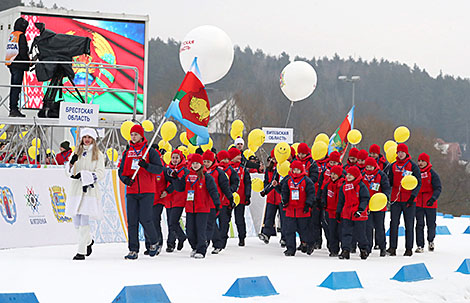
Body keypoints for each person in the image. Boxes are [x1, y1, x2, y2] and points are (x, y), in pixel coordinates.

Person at [118, 124, 166, 260]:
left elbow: (159, 169)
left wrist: (147, 166)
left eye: (136, 134)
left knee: (146, 219)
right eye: (132, 134)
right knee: (132, 221)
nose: (133, 137)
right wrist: (125, 180)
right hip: (132, 191)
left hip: (147, 190)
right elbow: (121, 171)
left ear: (141, 135)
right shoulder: (127, 152)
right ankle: (133, 249)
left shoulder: (149, 151)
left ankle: (154, 242)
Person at [64, 128, 105, 260]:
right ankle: (88, 241)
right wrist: (71, 163)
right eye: (85, 137)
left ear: (93, 139)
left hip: (89, 191)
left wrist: (86, 176)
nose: (87, 139)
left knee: (84, 220)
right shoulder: (76, 152)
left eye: (89, 137)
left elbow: (100, 173)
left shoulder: (98, 154)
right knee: (76, 220)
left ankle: (81, 251)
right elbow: (68, 171)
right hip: (75, 190)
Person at [173, 153, 221, 259]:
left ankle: (201, 249)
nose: (195, 165)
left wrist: (217, 204)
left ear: (201, 164)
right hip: (190, 208)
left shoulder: (206, 177)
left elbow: (213, 191)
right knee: (190, 230)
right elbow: (180, 188)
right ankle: (194, 247)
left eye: (197, 163)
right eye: (193, 163)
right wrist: (175, 179)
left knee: (201, 230)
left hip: (203, 208)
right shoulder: (187, 176)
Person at [387, 143, 421, 257]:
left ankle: (409, 248)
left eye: (402, 152)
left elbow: (418, 183)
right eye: (399, 152)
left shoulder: (413, 166)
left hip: (408, 200)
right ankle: (392, 247)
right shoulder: (393, 166)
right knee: (394, 223)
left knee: (409, 224)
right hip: (396, 199)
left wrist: (413, 197)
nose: (400, 154)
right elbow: (389, 181)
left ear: (406, 153)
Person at [281, 160, 316, 256]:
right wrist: (285, 201)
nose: (295, 172)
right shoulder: (288, 180)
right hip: (290, 210)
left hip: (302, 210)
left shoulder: (306, 181)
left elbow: (311, 193)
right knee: (289, 231)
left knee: (304, 230)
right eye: (294, 170)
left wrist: (308, 204)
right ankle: (290, 249)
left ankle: (307, 243)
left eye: (298, 170)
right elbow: (284, 191)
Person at [202, 150, 234, 254]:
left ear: (213, 161)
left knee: (211, 224)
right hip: (202, 203)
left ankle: (214, 243)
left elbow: (225, 187)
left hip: (215, 202)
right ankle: (211, 242)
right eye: (204, 161)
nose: (206, 163)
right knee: (208, 224)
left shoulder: (219, 172)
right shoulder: (200, 172)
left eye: (208, 161)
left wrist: (230, 198)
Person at [336, 166, 370, 260]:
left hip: (359, 214)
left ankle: (364, 249)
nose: (348, 176)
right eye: (347, 174)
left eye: (351, 175)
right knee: (346, 232)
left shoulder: (361, 186)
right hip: (347, 213)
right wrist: (338, 212)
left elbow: (365, 199)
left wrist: (360, 210)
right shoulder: (344, 186)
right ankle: (345, 250)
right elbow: (341, 201)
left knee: (360, 233)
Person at [362, 157, 391, 257]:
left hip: (379, 205)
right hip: (367, 206)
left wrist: (385, 197)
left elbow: (387, 188)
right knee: (368, 227)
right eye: (367, 166)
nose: (369, 168)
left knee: (379, 227)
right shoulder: (362, 175)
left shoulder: (381, 175)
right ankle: (367, 247)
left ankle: (382, 247)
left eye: (371, 166)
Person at [212, 150, 240, 252]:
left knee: (224, 223)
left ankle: (222, 242)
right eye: (223, 159)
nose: (225, 161)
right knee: (212, 222)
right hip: (215, 201)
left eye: (227, 159)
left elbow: (235, 182)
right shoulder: (214, 170)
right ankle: (216, 241)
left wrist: (230, 191)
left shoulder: (231, 170)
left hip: (226, 201)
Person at [415, 153, 442, 253]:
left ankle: (431, 240)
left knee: (431, 224)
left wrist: (433, 198)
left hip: (430, 202)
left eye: (423, 161)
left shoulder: (432, 173)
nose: (420, 163)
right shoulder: (415, 172)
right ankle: (420, 245)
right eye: (419, 161)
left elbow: (438, 188)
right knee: (419, 224)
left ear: (427, 162)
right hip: (418, 202)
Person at [163, 149, 189, 252]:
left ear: (181, 158)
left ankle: (180, 237)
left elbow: (177, 185)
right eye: (173, 157)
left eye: (177, 158)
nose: (174, 160)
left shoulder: (184, 171)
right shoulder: (167, 169)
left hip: (179, 198)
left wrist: (168, 190)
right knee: (171, 222)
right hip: (169, 199)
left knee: (173, 222)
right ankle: (171, 243)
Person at [259, 150, 285, 245]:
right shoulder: (269, 168)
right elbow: (267, 181)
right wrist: (265, 190)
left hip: (280, 197)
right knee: (269, 217)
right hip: (271, 197)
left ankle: (284, 237)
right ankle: (266, 234)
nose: (273, 159)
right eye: (272, 157)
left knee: (282, 218)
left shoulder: (282, 167)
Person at [6, 17, 30, 117]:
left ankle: (13, 109)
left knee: (14, 87)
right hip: (18, 65)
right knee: (16, 88)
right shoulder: (21, 36)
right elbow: (23, 52)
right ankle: (14, 109)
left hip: (12, 64)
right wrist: (28, 62)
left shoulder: (12, 35)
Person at [229, 147, 252, 247]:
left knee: (239, 219)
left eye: (240, 155)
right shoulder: (227, 168)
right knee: (226, 218)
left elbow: (248, 183)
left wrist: (247, 195)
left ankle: (242, 237)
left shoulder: (243, 169)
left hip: (240, 198)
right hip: (228, 198)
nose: (239, 157)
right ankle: (221, 237)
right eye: (237, 155)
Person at [321, 165, 344, 257]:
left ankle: (344, 249)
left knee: (341, 231)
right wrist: (323, 202)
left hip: (340, 212)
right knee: (332, 231)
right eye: (332, 174)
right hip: (330, 211)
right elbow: (324, 194)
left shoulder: (343, 184)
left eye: (335, 174)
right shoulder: (328, 184)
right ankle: (333, 249)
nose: (333, 176)